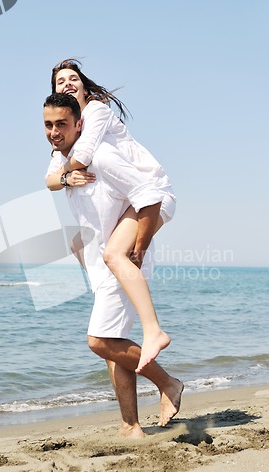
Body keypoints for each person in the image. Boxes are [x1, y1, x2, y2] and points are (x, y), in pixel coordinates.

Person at [44, 93, 183, 438]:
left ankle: (168, 383)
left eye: (62, 124)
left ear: (80, 124)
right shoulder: (67, 163)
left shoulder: (102, 157)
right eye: (48, 125)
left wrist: (139, 246)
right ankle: (130, 426)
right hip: (100, 266)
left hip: (121, 264)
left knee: (99, 341)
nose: (54, 132)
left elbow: (150, 194)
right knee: (113, 344)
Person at [48, 59, 177, 374]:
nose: (66, 83)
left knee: (115, 254)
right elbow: (50, 179)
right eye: (59, 81)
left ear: (84, 85)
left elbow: (85, 156)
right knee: (78, 243)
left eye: (72, 78)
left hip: (152, 191)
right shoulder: (65, 135)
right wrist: (65, 176)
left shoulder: (96, 112)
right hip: (131, 198)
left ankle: (153, 330)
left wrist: (141, 245)